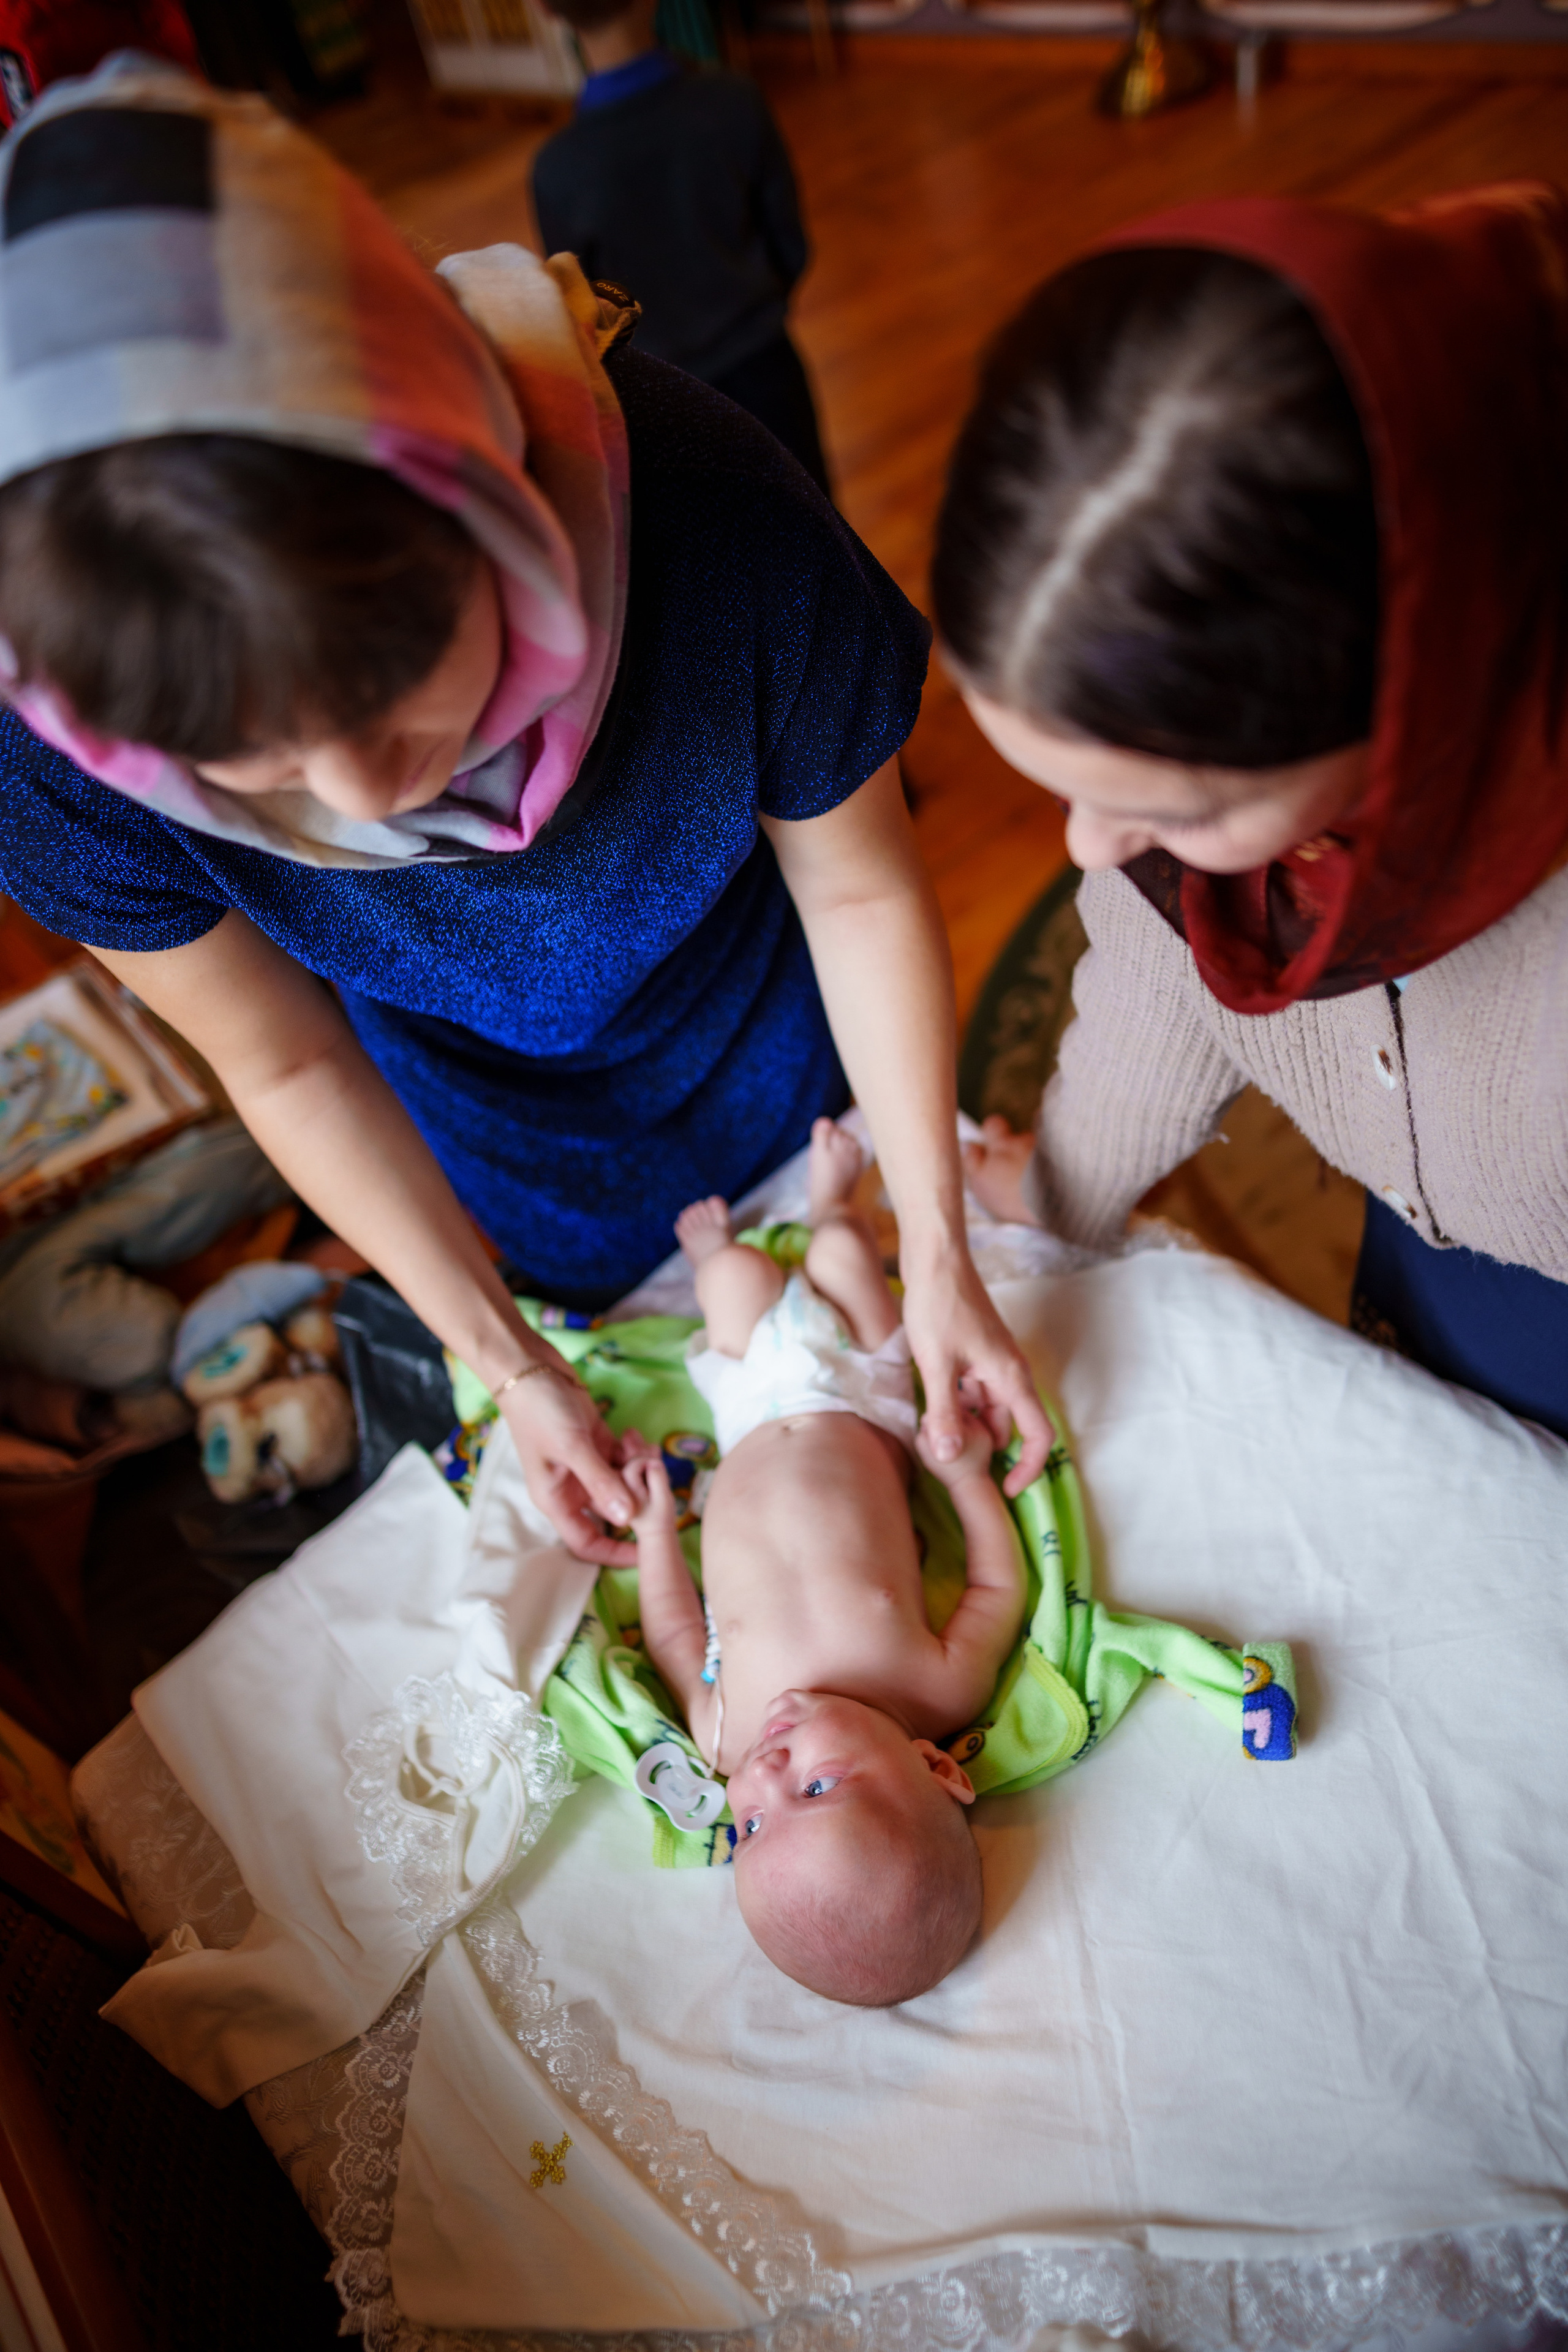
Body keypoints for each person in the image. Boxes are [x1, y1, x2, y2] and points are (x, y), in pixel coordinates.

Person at [0, 58, 1048, 1564]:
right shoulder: (53, 756)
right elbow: (282, 1058)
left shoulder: (710, 509)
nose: (374, 795)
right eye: (258, 771)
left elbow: (864, 892)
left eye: (402, 690)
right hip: (481, 1124)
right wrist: (509, 1363)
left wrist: (938, 1253)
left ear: (486, 492)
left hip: (779, 1015)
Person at [935, 187, 1568, 1441]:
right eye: (1063, 787)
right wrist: (1042, 1221)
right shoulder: (1209, 825)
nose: (1084, 849)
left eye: (1162, 808)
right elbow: (1160, 993)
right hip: (1429, 1279)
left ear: (1411, 706)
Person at [622, 1118, 1025, 2005]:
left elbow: (673, 1631)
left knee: (729, 1280)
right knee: (847, 1253)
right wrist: (963, 1478)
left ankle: (733, 1247)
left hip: (750, 1411)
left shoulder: (725, 1738)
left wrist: (656, 1534)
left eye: (756, 1825)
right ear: (936, 1768)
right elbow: (1001, 1581)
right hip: (868, 1402)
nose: (765, 1777)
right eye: (818, 1785)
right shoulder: (937, 1689)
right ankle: (831, 1200)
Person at [530, 0, 831, 494]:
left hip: (662, 409)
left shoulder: (557, 172)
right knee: (825, 549)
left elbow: (588, 314)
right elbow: (790, 246)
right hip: (768, 376)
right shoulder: (735, 104)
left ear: (546, 10)